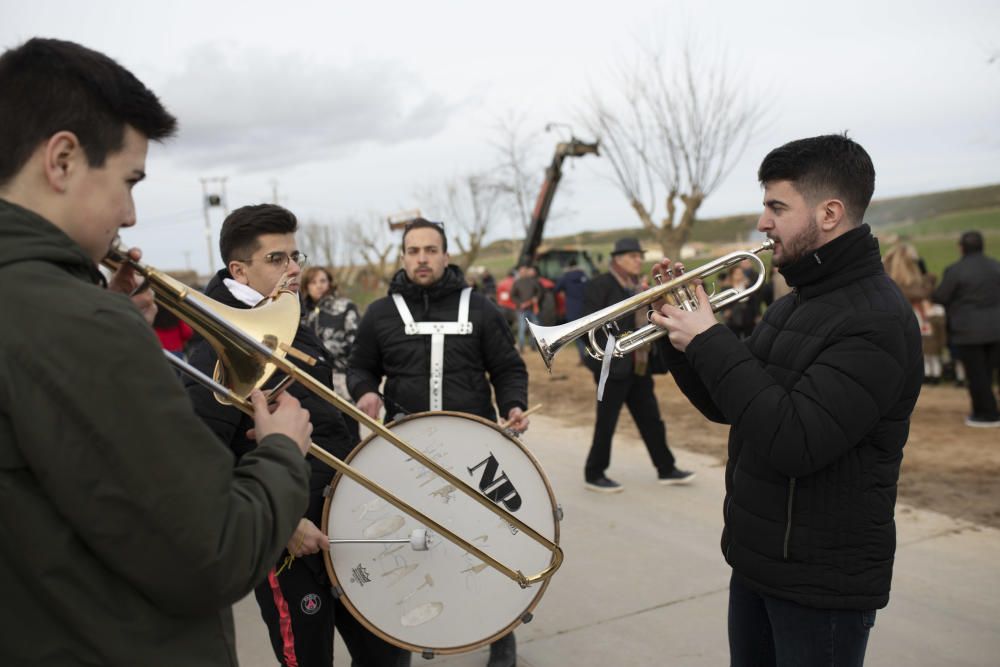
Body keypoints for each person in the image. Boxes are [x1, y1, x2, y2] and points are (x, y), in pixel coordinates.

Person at [0, 38, 314, 666]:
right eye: (127, 181)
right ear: (61, 160)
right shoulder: (82, 324)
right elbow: (216, 551)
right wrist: (282, 452)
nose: (131, 215)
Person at [651, 134, 923, 666]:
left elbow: (795, 440)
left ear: (829, 213)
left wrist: (711, 339)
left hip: (820, 586)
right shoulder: (798, 301)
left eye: (777, 207)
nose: (763, 223)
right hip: (758, 564)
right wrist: (679, 335)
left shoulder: (877, 320)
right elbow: (734, 406)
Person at [184, 204, 407, 666]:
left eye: (295, 256)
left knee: (387, 652)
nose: (293, 270)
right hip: (286, 539)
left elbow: (333, 421)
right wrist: (280, 523)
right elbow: (200, 461)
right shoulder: (214, 352)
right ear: (239, 271)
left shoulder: (295, 328)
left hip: (343, 520)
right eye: (276, 260)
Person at [347, 218, 528, 667]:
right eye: (413, 250)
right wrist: (365, 391)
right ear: (403, 256)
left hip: (476, 451)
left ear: (446, 256)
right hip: (405, 453)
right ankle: (404, 632)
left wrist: (513, 404)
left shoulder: (482, 308)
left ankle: (500, 632)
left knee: (487, 542)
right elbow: (360, 368)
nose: (422, 258)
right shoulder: (379, 313)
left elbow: (507, 368)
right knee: (412, 544)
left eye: (431, 250)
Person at [582, 237, 695, 493]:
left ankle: (666, 468)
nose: (639, 260)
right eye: (633, 256)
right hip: (612, 367)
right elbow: (589, 326)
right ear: (617, 260)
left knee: (652, 420)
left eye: (640, 256)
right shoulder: (599, 286)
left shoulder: (638, 286)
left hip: (640, 365)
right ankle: (594, 472)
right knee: (607, 422)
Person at [932, 230, 1000, 427]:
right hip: (996, 329)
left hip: (968, 331)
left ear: (961, 247)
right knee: (987, 372)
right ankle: (987, 409)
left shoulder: (955, 270)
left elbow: (941, 297)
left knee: (976, 374)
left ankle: (986, 415)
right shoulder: (996, 266)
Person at [301, 265, 361, 442]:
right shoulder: (302, 313)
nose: (318, 286)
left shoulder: (345, 307)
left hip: (342, 384)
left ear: (330, 283)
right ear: (306, 286)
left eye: (322, 281)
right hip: (311, 386)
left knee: (350, 436)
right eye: (313, 282)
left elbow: (356, 343)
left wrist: (327, 350)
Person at [882, 242, 942, 383]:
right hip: (910, 317)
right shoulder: (910, 280)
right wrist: (925, 273)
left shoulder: (884, 273)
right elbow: (923, 293)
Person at [555, 258, 589, 361]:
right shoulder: (584, 275)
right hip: (586, 308)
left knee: (577, 334)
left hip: (572, 310)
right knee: (588, 333)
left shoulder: (566, 277)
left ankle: (583, 358)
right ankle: (591, 356)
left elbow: (556, 289)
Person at [510, 263, 543, 352]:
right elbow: (512, 296)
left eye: (525, 271)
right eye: (522, 272)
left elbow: (539, 291)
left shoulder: (533, 281)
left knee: (534, 328)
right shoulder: (516, 283)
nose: (523, 273)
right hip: (521, 310)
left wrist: (536, 298)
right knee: (522, 328)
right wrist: (520, 303)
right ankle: (521, 347)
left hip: (532, 309)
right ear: (519, 273)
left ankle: (533, 346)